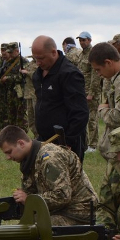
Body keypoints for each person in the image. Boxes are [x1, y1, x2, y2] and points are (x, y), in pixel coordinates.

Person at [0, 125, 98, 226]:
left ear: (21, 143)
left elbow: (62, 195)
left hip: (78, 212)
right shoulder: (30, 160)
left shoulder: (50, 158)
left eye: (9, 152)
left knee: (23, 234)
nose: (8, 157)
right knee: (20, 232)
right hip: (60, 210)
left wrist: (29, 199)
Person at [31, 35, 90, 163]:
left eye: (41, 58)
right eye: (35, 59)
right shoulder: (38, 74)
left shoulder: (69, 74)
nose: (38, 63)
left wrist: (68, 141)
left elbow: (80, 112)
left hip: (66, 142)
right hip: (44, 139)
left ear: (53, 52)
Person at [76, 31, 102, 152]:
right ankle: (86, 143)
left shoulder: (93, 54)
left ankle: (93, 144)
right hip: (81, 92)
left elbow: (95, 75)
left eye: (84, 40)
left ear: (89, 40)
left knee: (92, 119)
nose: (82, 42)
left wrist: (92, 92)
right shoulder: (81, 54)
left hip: (91, 93)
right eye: (80, 40)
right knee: (83, 119)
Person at [0, 42, 28, 130]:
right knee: (11, 116)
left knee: (20, 117)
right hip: (10, 92)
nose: (10, 54)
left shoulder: (24, 62)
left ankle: (22, 134)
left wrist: (8, 78)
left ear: (17, 51)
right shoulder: (7, 63)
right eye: (9, 52)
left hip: (19, 93)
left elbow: (22, 77)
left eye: (11, 52)